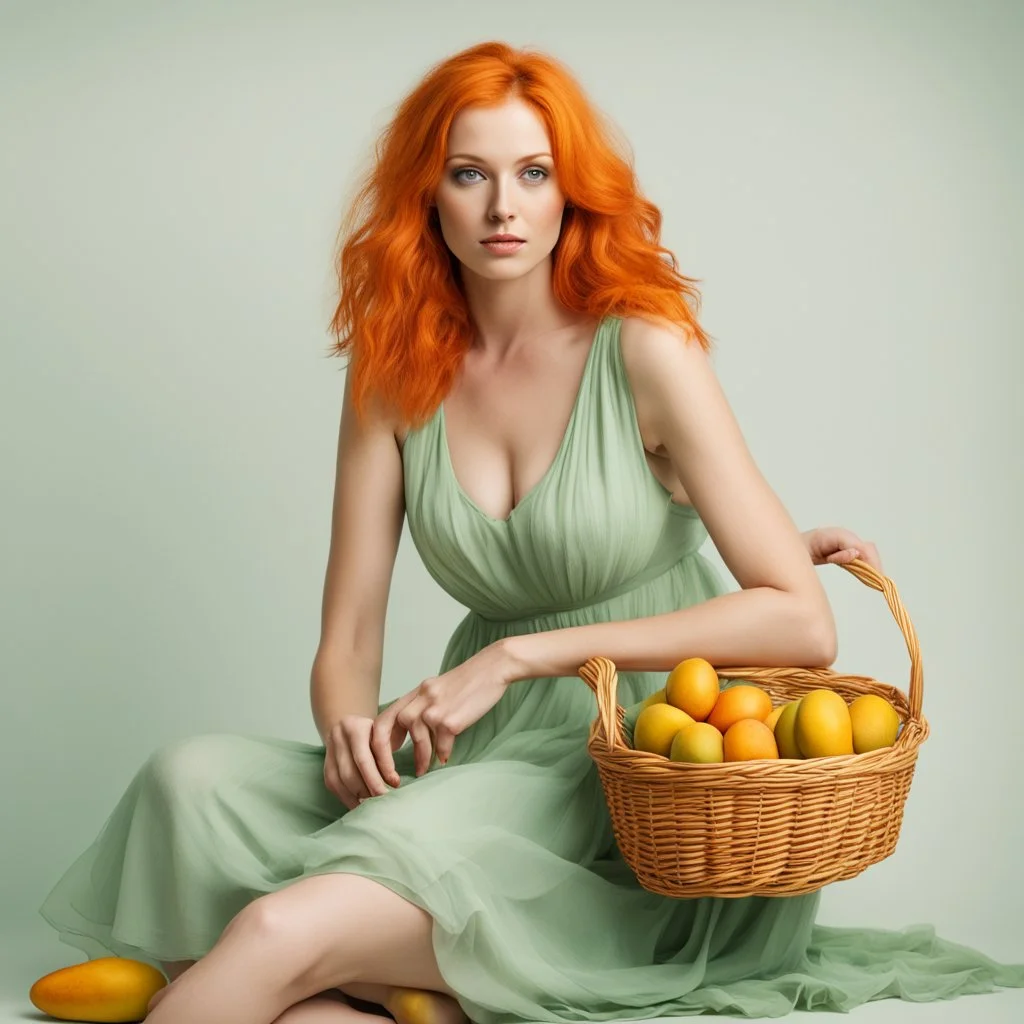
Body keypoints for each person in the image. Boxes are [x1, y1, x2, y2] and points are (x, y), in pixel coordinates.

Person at [36, 39, 1023, 1024]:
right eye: (469, 174)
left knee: (270, 934)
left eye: (533, 173)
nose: (503, 207)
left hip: (632, 770)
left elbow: (805, 625)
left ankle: (330, 967)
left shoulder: (644, 348)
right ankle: (393, 982)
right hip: (479, 741)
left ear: (570, 192)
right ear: (429, 195)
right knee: (188, 781)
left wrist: (517, 654)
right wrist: (351, 734)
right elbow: (346, 641)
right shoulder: (393, 374)